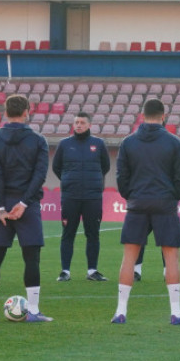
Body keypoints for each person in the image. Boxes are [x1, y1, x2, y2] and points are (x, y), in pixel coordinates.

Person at [111, 99, 180, 325]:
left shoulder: (128, 142)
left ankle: (120, 311)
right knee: (171, 257)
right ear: (163, 115)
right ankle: (176, 313)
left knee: (129, 257)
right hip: (165, 204)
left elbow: (121, 177)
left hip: (137, 204)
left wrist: (132, 196)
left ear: (142, 115)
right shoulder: (174, 142)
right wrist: (173, 196)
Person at [0, 94, 51, 322]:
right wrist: (24, 203)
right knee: (31, 257)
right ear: (26, 112)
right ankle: (33, 311)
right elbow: (39, 175)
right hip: (27, 205)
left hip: (3, 204)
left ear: (5, 113)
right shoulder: (38, 140)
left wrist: (0, 207)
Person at [53, 111, 110, 283]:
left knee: (92, 234)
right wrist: (69, 180)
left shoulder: (98, 144)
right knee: (67, 233)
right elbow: (57, 167)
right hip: (70, 196)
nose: (78, 125)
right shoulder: (64, 144)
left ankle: (92, 271)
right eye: (76, 122)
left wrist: (94, 181)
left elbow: (105, 167)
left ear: (89, 125)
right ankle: (65, 271)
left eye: (82, 122)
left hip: (92, 197)